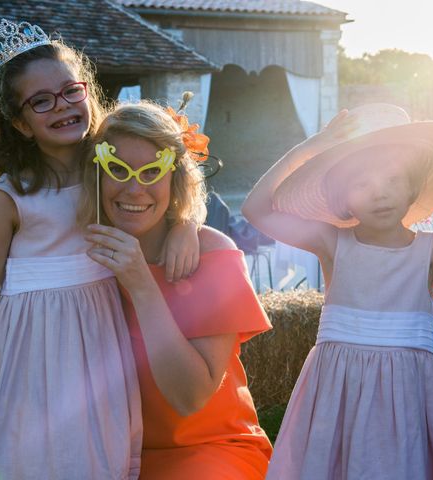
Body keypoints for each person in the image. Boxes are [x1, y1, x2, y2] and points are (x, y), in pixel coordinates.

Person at [242, 103, 433, 479]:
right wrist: (312, 148)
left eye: (393, 179)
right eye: (363, 184)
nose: (380, 194)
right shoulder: (331, 243)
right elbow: (256, 209)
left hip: (409, 399)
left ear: (412, 186)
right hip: (340, 397)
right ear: (342, 196)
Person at [0, 19, 196, 479]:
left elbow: (166, 184)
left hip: (100, 332)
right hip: (29, 340)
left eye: (70, 92)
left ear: (87, 92)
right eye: (41, 101)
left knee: (93, 443)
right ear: (21, 123)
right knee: (30, 446)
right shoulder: (11, 196)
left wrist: (184, 223)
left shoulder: (108, 169)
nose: (61, 107)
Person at [81, 101, 274, 479]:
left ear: (175, 179)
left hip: (207, 449)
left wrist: (140, 281)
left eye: (152, 173)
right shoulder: (82, 252)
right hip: (108, 449)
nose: (135, 188)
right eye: (117, 169)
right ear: (96, 175)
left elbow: (189, 398)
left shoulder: (213, 255)